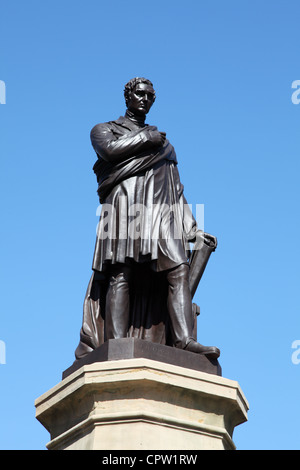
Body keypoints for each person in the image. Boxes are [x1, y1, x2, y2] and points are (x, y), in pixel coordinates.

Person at [74, 78, 220, 360]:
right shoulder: (104, 130)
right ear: (127, 96)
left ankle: (184, 340)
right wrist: (145, 139)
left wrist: (192, 229)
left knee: (178, 269)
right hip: (123, 207)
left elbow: (177, 189)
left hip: (160, 213)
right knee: (120, 273)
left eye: (150, 96)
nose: (145, 99)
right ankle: (115, 344)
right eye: (139, 94)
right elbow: (109, 152)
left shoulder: (165, 146)